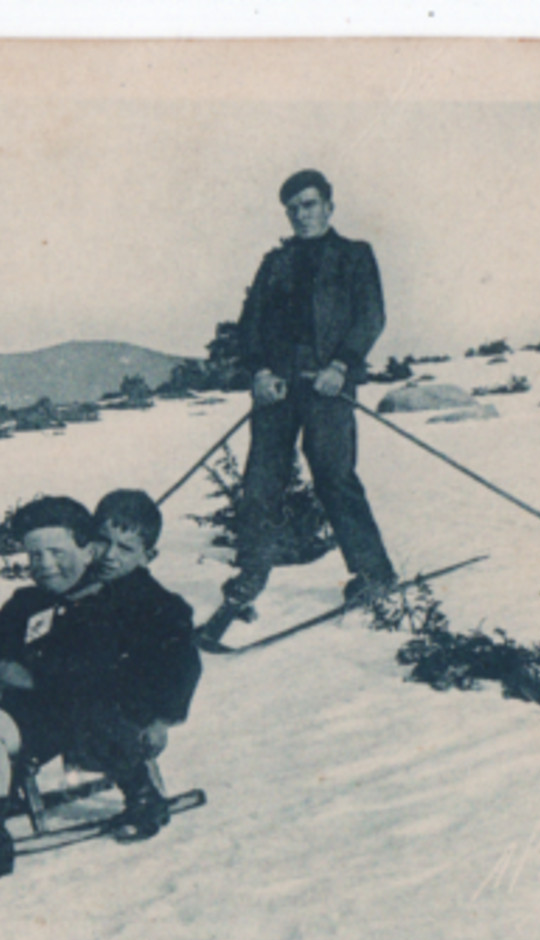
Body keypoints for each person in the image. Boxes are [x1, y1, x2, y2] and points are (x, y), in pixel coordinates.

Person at [0, 492, 202, 885]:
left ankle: (136, 798)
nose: (109, 556)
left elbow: (131, 669)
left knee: (62, 722)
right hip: (31, 703)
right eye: (104, 542)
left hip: (92, 711)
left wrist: (162, 718)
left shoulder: (133, 605)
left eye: (124, 548)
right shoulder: (45, 595)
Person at [201, 169, 396, 644]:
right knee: (261, 481)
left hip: (327, 383)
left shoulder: (354, 256)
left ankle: (374, 574)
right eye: (293, 209)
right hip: (278, 386)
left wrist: (342, 367)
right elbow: (250, 325)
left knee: (334, 475)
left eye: (309, 204)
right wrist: (258, 373)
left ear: (329, 205)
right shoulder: (274, 264)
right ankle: (250, 576)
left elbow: (371, 316)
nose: (301, 215)